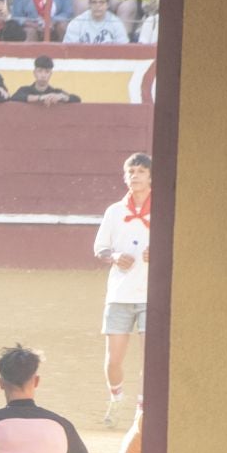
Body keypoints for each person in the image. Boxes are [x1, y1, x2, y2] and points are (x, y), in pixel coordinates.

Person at [93, 151, 152, 425]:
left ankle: (142, 410)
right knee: (113, 361)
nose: (135, 176)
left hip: (152, 294)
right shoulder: (115, 212)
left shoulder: (163, 208)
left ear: (151, 176)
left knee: (149, 359)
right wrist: (115, 257)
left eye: (140, 171)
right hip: (119, 293)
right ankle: (117, 399)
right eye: (131, 172)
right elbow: (100, 249)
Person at [10, 55, 82, 106]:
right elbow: (14, 98)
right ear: (34, 73)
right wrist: (41, 98)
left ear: (50, 74)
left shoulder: (55, 92)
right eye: (40, 71)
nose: (43, 75)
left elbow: (77, 99)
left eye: (47, 72)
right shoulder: (25, 90)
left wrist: (62, 97)